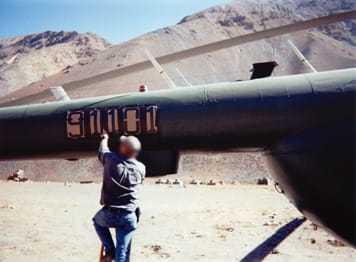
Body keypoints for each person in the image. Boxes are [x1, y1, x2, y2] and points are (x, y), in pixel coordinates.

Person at [93, 132, 145, 262]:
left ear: (122, 149)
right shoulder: (141, 168)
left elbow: (102, 150)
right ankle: (116, 255)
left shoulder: (111, 160)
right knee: (122, 251)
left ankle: (110, 250)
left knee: (97, 221)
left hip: (111, 213)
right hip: (129, 216)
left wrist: (105, 138)